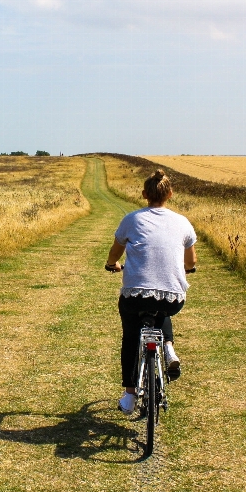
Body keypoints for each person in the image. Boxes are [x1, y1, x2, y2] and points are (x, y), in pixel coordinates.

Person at [105, 169, 197, 414]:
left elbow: (115, 253)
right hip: (173, 297)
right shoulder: (183, 222)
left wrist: (112, 264)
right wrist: (188, 269)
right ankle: (168, 347)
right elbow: (190, 262)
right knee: (162, 306)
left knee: (131, 335)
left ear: (144, 194)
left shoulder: (132, 220)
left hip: (135, 295)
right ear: (170, 193)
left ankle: (129, 395)